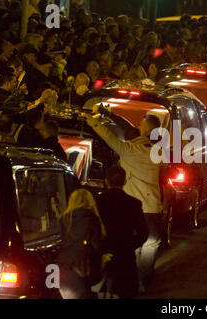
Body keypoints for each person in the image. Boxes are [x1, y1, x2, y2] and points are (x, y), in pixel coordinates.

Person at [85, 112, 163, 290]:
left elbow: (108, 137)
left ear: (146, 129)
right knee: (151, 244)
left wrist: (92, 121)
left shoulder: (129, 150)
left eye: (142, 124)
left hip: (133, 205)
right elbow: (127, 128)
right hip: (152, 207)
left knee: (131, 244)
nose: (138, 126)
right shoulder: (158, 152)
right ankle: (144, 281)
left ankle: (132, 281)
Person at [96, 165, 149, 298]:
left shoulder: (97, 202)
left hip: (102, 256)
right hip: (126, 258)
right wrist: (130, 245)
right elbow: (143, 233)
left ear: (106, 181)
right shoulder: (134, 203)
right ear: (125, 182)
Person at [56, 188, 106, 299]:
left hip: (62, 268)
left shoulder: (64, 218)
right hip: (82, 268)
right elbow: (96, 246)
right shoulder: (92, 218)